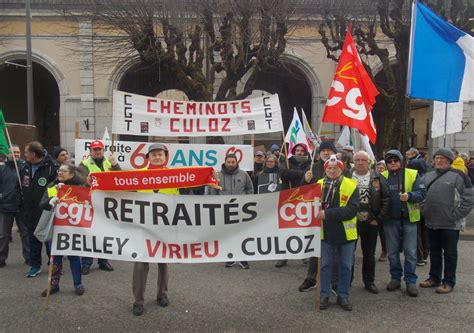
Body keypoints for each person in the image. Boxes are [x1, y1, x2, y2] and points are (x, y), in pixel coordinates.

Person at [132, 143, 178, 316]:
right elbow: (117, 188)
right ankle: (138, 300)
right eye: (154, 155)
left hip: (165, 227)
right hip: (143, 227)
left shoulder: (175, 176)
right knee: (140, 265)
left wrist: (211, 176)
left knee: (164, 263)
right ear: (148, 158)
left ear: (165, 157)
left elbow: (194, 188)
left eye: (160, 154)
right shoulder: (138, 175)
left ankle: (162, 294)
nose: (157, 157)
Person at [420, 149, 473, 294]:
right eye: (437, 158)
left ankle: (448, 282)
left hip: (451, 224)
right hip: (431, 222)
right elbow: (421, 195)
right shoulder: (428, 175)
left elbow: (468, 198)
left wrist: (456, 215)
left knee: (450, 254)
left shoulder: (459, 175)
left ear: (449, 160)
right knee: (434, 252)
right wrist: (424, 210)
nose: (439, 160)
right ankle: (434, 278)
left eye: (442, 158)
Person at [380, 149, 425, 297]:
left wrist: (410, 196)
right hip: (390, 220)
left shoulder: (412, 174)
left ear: (401, 160)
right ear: (386, 164)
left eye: (395, 160)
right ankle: (395, 278)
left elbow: (422, 193)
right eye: (389, 161)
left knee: (410, 253)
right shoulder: (382, 176)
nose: (393, 163)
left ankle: (411, 282)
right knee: (392, 253)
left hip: (409, 220)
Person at [318, 155, 360, 311]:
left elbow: (351, 210)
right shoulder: (318, 185)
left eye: (336, 168)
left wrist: (327, 214)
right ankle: (324, 295)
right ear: (325, 170)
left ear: (341, 169)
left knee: (346, 266)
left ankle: (343, 295)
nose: (332, 170)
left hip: (346, 235)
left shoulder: (351, 185)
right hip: (325, 233)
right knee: (325, 266)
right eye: (329, 168)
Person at [39, 164, 86, 296]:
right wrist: (50, 200)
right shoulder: (51, 186)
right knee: (55, 258)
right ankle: (54, 285)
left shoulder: (78, 188)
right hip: (54, 228)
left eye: (64, 171)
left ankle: (78, 284)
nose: (60, 172)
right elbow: (41, 204)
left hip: (71, 229)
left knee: (74, 257)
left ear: (71, 174)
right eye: (59, 170)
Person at [297, 140, 337, 289]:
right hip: (315, 215)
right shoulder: (313, 168)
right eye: (324, 150)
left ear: (334, 153)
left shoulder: (341, 168)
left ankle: (333, 281)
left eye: (329, 150)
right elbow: (303, 191)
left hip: (333, 215)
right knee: (315, 247)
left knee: (334, 250)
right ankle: (311, 278)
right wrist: (305, 180)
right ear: (319, 154)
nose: (326, 153)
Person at [351, 151, 390, 294]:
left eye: (363, 160)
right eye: (357, 160)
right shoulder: (347, 176)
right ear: (353, 162)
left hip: (370, 221)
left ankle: (369, 282)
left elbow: (386, 199)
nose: (360, 162)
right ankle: (346, 280)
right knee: (349, 254)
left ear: (369, 162)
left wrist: (378, 219)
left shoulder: (377, 178)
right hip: (351, 222)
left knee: (369, 254)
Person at [78, 139, 119, 274]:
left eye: (99, 149)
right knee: (89, 233)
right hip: (90, 202)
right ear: (90, 151)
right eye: (95, 150)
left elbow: (120, 179)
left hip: (107, 203)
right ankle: (86, 263)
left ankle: (103, 261)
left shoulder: (109, 163)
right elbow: (80, 181)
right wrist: (86, 181)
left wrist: (116, 165)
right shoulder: (84, 164)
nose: (97, 152)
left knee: (105, 233)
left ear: (103, 150)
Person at [21, 141, 59, 277]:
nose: (24, 154)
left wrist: (49, 203)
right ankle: (35, 265)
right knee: (33, 239)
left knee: (49, 239)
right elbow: (19, 186)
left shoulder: (52, 167)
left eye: (26, 152)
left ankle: (54, 263)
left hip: (46, 210)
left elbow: (57, 186)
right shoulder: (24, 167)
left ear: (33, 154)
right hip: (29, 210)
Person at [209, 153, 254, 269]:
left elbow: (250, 189)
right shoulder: (217, 175)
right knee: (228, 234)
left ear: (236, 162)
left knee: (241, 233)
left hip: (241, 210)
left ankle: (243, 258)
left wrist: (247, 202)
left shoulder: (244, 174)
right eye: (228, 162)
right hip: (224, 209)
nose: (230, 164)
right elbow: (212, 190)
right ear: (225, 162)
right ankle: (230, 257)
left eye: (233, 162)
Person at [0, 145, 29, 267]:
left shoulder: (25, 167)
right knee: (3, 235)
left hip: (21, 206)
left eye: (17, 152)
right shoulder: (2, 169)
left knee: (25, 233)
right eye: (13, 152)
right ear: (8, 154)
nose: (16, 154)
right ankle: (1, 258)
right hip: (5, 205)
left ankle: (29, 257)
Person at [375, 160, 388, 261]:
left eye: (382, 168)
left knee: (383, 232)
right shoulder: (373, 178)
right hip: (373, 210)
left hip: (382, 210)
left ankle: (384, 250)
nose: (379, 169)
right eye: (378, 168)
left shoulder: (385, 179)